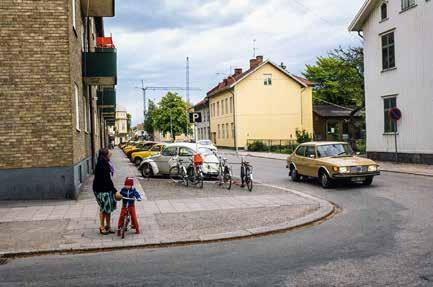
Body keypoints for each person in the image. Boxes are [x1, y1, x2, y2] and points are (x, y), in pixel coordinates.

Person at [93, 148, 117, 235]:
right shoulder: (102, 164)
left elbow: (108, 179)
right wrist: (114, 190)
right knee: (104, 208)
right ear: (105, 155)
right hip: (100, 189)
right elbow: (107, 179)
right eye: (109, 153)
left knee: (108, 209)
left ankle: (108, 226)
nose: (111, 154)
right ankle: (102, 227)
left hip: (106, 188)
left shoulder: (106, 162)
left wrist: (112, 190)